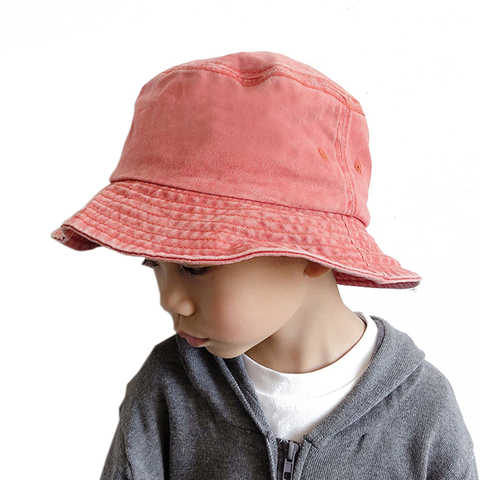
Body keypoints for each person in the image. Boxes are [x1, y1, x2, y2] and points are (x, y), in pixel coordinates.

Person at [51, 51, 478, 480]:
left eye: (196, 267)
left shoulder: (423, 413)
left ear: (310, 254)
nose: (170, 300)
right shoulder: (166, 390)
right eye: (154, 264)